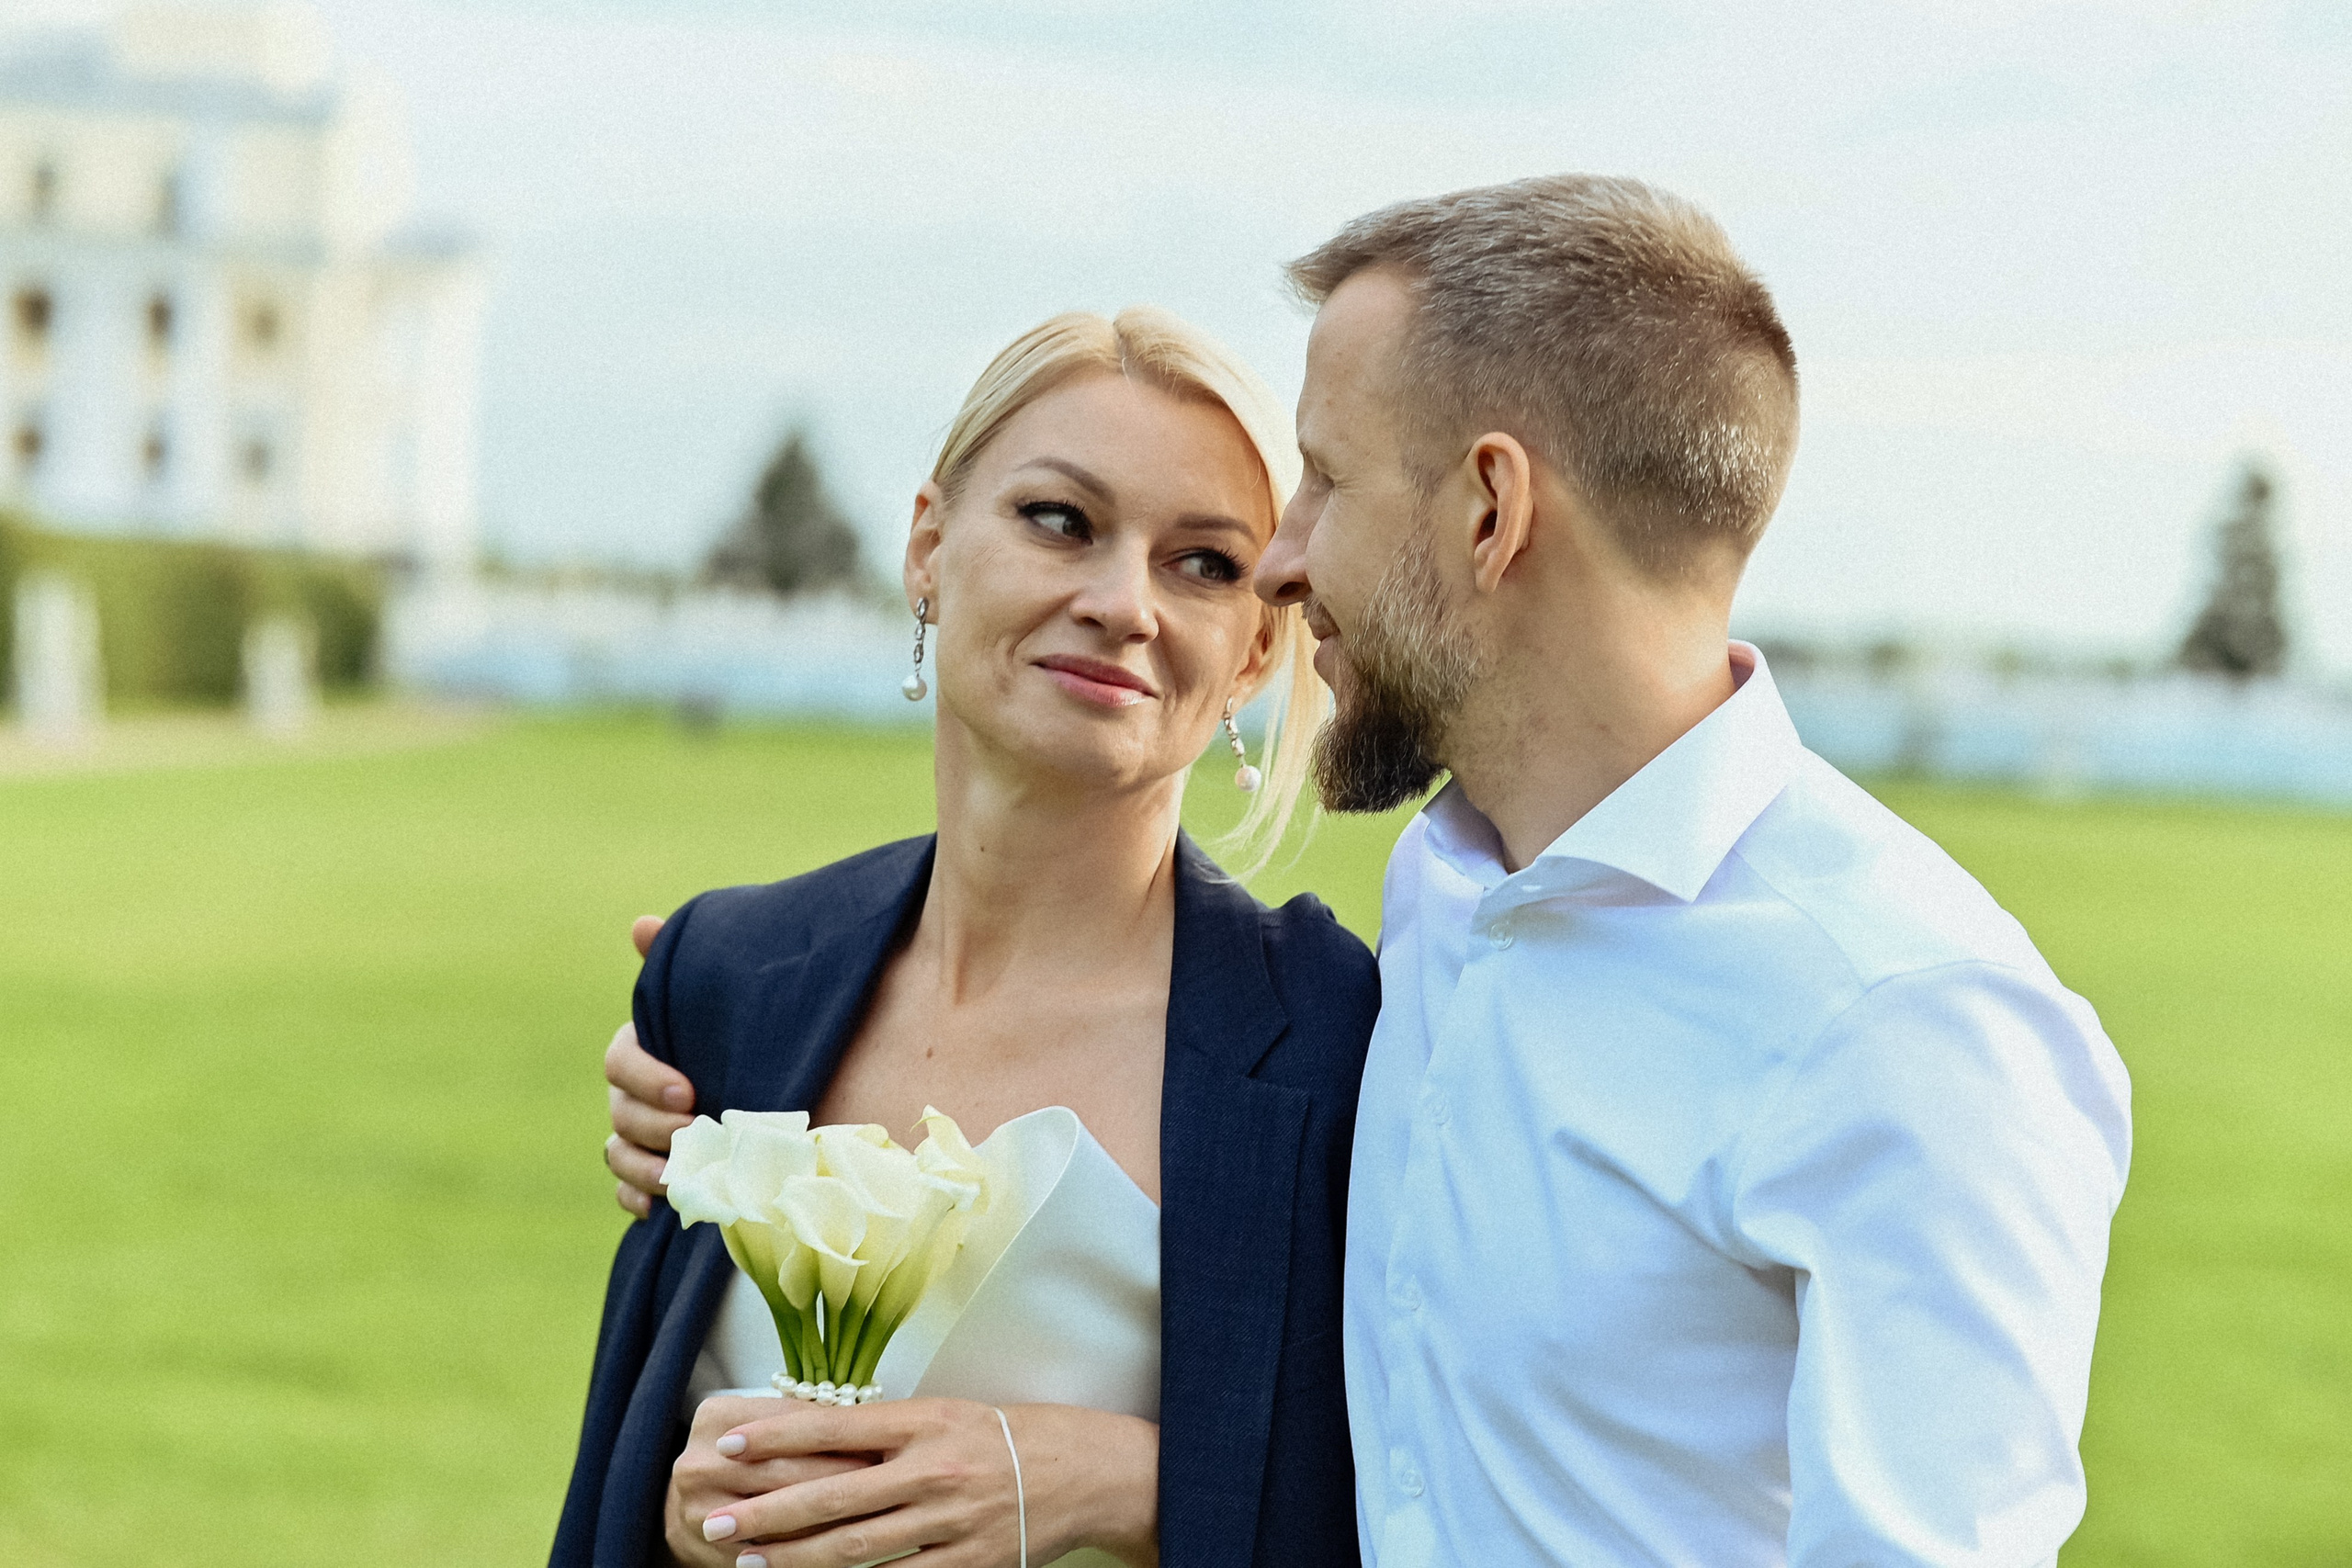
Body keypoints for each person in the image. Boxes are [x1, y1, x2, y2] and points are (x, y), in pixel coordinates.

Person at [614, 175, 2134, 1565]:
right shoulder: (1446, 913)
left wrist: (1102, 1480)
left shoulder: (1906, 1016)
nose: (1285, 562)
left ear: (1491, 508)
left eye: (1322, 487)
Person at [556, 308, 1377, 1568]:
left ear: (1260, 645)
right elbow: (623, 1492)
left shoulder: (1331, 1041)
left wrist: (1132, 1484)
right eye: (1062, 521)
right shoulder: (725, 981)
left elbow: (1442, 1494)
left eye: (1203, 564)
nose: (1122, 604)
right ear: (930, 548)